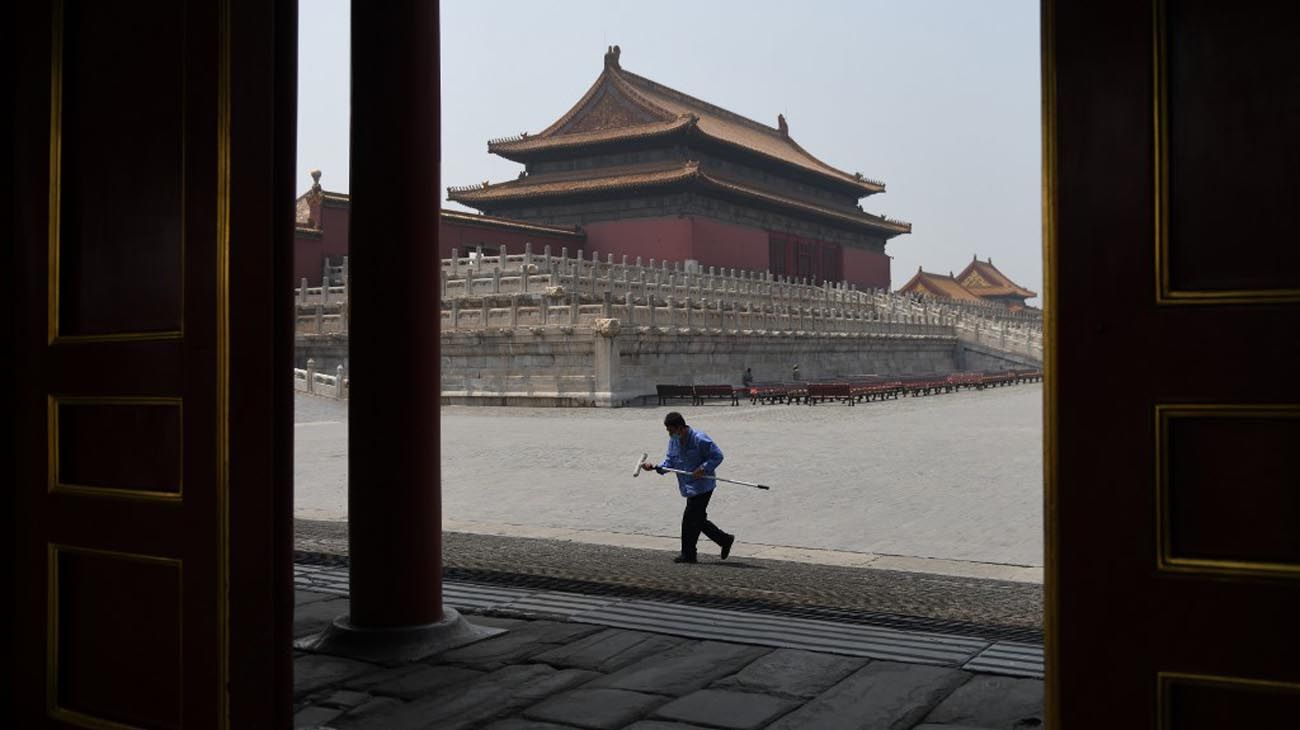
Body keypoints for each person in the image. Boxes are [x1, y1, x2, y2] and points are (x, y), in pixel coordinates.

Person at [640, 412, 736, 563]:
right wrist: (655, 467)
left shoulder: (700, 439)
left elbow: (717, 456)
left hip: (703, 485)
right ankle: (724, 540)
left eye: (671, 430)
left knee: (689, 519)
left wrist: (703, 468)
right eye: (668, 431)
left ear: (681, 428)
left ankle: (689, 554)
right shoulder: (674, 441)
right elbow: (670, 461)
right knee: (697, 520)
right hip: (688, 486)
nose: (670, 434)